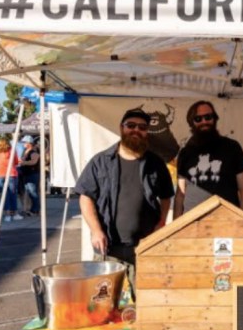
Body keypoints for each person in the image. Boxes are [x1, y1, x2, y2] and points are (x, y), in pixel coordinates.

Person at [75, 109, 174, 295]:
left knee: (146, 300)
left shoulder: (156, 163)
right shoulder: (100, 161)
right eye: (131, 125)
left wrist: (161, 223)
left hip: (144, 246)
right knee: (102, 302)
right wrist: (96, 231)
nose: (136, 130)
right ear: (122, 128)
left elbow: (167, 196)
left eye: (142, 127)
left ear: (147, 132)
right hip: (107, 248)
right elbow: (85, 196)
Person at [173, 101, 243, 217]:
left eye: (208, 117)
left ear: (215, 119)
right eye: (198, 119)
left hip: (227, 221)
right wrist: (176, 227)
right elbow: (180, 194)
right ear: (192, 123)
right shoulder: (185, 153)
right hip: (193, 223)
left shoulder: (232, 147)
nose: (204, 122)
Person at [0, 137, 22, 222]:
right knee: (12, 194)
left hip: (0, 174)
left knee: (4, 195)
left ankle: (7, 214)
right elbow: (16, 162)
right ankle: (14, 213)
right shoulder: (12, 150)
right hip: (11, 173)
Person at [19, 135, 41, 217]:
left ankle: (35, 210)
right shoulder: (25, 151)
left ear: (29, 143)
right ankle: (30, 209)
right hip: (26, 174)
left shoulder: (33, 152)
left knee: (33, 192)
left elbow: (34, 161)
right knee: (28, 192)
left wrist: (24, 163)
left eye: (24, 142)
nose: (23, 143)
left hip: (32, 174)